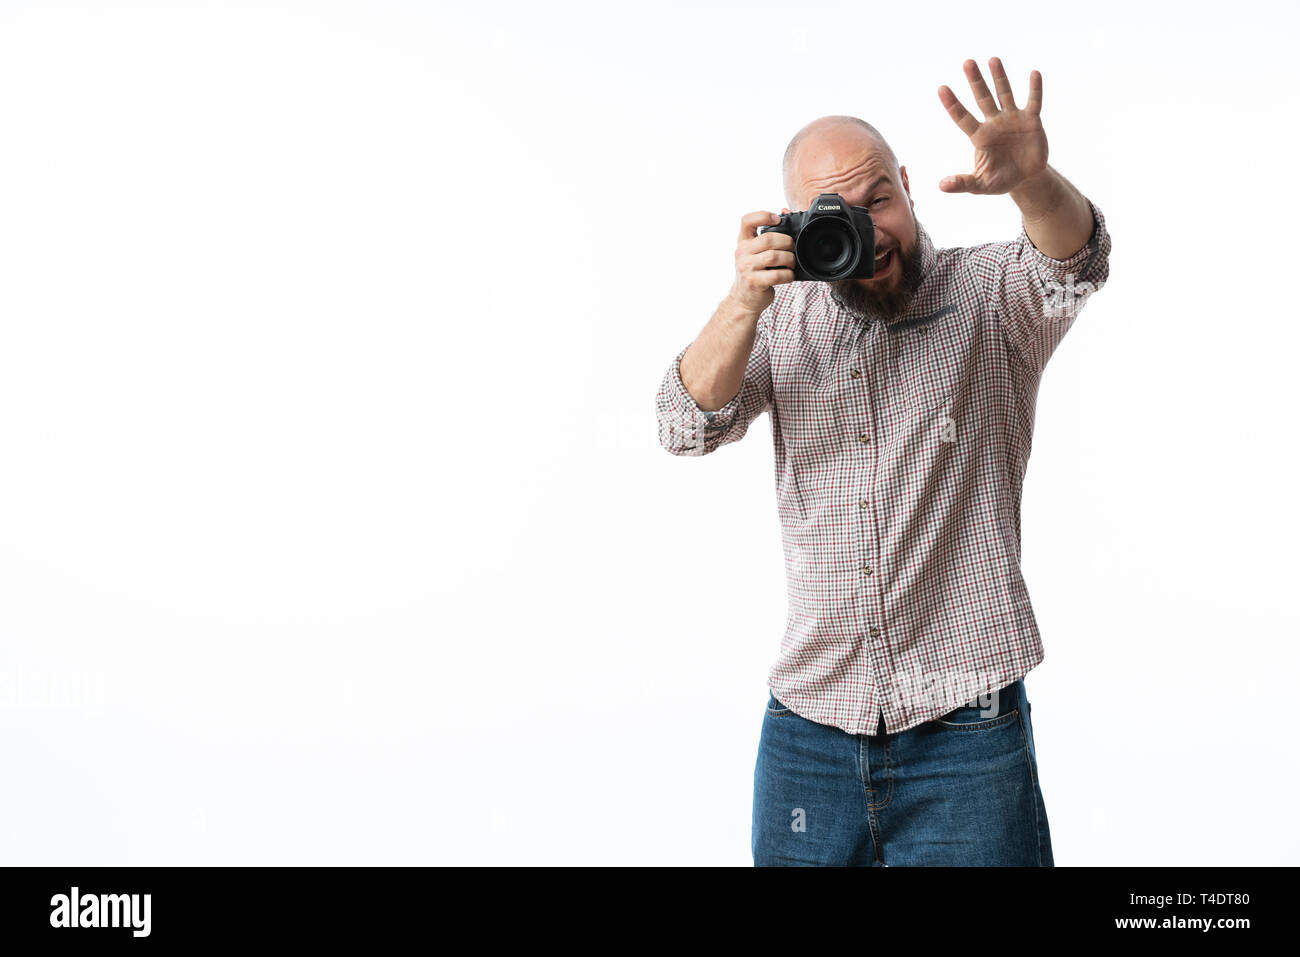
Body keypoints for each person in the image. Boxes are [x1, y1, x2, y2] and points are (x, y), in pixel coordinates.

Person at [654, 58, 1112, 866]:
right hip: (807, 735)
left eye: (878, 201)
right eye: (837, 216)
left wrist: (1034, 182)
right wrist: (743, 299)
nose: (867, 233)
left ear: (906, 185)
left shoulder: (989, 299)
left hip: (967, 738)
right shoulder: (781, 322)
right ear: (796, 225)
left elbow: (1075, 265)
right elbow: (684, 425)